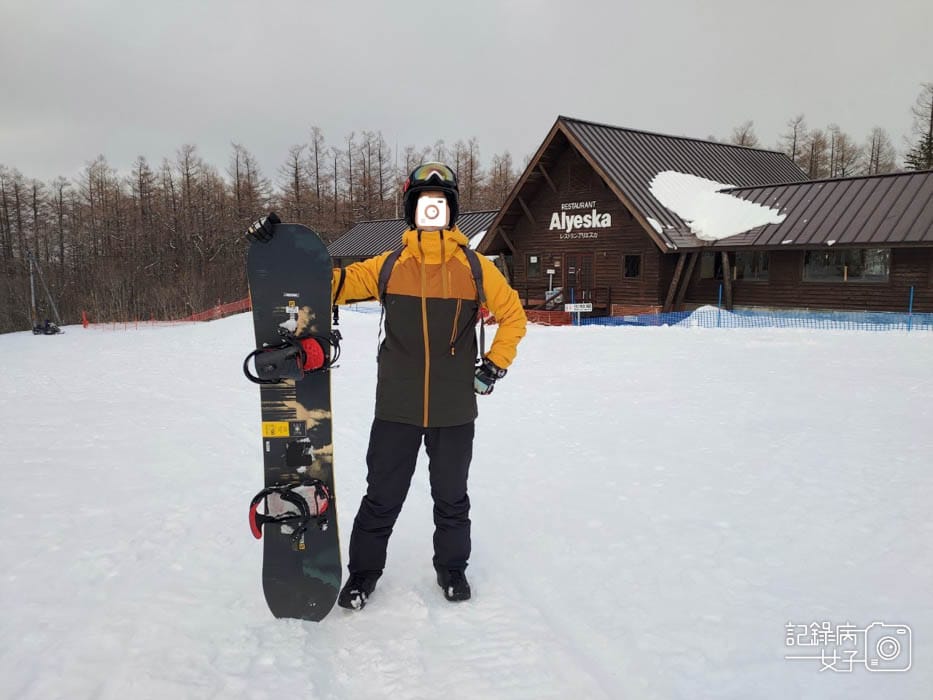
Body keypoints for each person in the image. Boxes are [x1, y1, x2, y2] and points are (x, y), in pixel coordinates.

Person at [330, 162, 527, 609]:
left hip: (454, 410)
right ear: (411, 209)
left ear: (451, 210)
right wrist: (288, 255)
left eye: (439, 204)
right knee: (381, 496)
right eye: (423, 203)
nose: (431, 211)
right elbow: (336, 285)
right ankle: (362, 576)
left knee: (451, 497)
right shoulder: (388, 266)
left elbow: (514, 316)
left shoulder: (477, 269)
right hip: (396, 407)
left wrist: (494, 365)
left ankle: (452, 569)